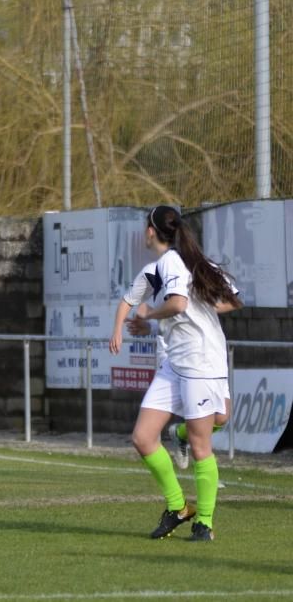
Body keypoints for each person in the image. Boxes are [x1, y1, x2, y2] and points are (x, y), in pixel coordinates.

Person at [114, 205, 240, 541]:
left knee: (205, 439)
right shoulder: (164, 265)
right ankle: (179, 508)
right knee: (143, 437)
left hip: (200, 360)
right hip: (176, 364)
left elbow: (186, 304)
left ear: (151, 231)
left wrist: (157, 315)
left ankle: (205, 524)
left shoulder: (175, 259)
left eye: (145, 227)